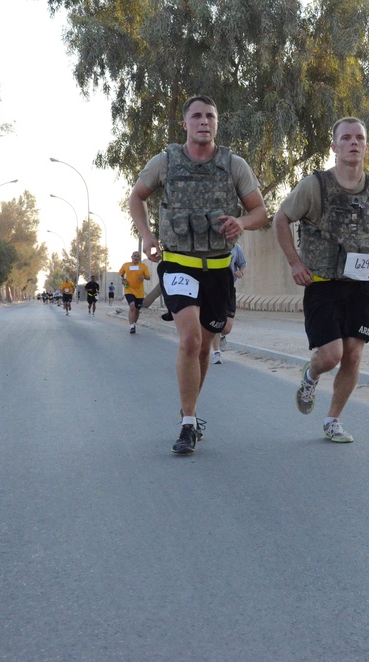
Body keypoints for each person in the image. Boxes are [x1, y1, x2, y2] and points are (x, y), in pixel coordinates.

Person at [129, 94, 268, 455]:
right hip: (178, 264)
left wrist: (241, 221)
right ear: (185, 124)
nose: (204, 121)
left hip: (218, 270)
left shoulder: (234, 165)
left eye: (210, 116)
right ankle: (188, 422)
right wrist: (146, 234)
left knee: (206, 346)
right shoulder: (166, 162)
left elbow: (260, 213)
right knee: (189, 341)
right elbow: (137, 196)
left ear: (216, 123)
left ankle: (189, 408)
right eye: (197, 116)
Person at [272, 116, 369, 443]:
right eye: (347, 138)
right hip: (322, 283)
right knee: (331, 355)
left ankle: (332, 421)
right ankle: (310, 377)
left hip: (362, 285)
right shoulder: (315, 186)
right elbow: (280, 219)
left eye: (359, 138)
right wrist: (294, 262)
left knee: (353, 354)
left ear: (366, 146)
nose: (354, 143)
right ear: (335, 146)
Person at [211, 243, 246, 364]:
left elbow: (243, 264)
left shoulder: (235, 247)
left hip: (229, 289)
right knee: (215, 322)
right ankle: (216, 353)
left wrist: (241, 272)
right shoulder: (211, 245)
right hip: (213, 290)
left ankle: (222, 336)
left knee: (226, 328)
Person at [119, 251, 151, 334]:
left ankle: (134, 323)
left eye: (137, 256)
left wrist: (143, 276)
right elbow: (120, 274)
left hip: (139, 292)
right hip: (129, 289)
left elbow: (148, 277)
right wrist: (123, 279)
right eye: (134, 256)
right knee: (132, 306)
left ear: (139, 258)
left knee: (137, 310)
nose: (136, 257)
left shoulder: (143, 266)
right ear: (131, 256)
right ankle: (131, 326)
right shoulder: (126, 265)